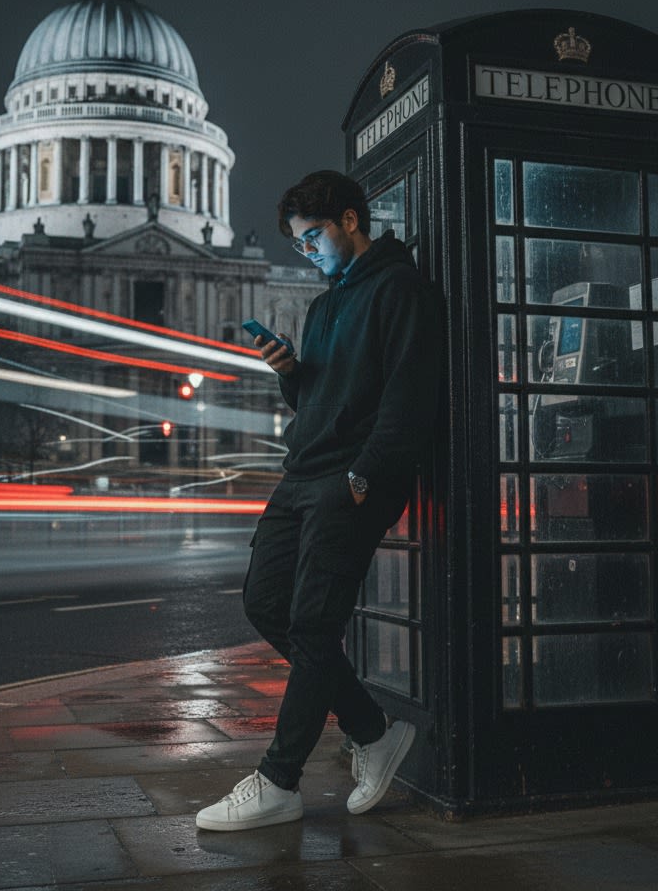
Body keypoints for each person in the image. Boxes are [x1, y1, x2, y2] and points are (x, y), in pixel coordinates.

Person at [196, 169, 444, 831]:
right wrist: (290, 374)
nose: (306, 254)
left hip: (349, 482)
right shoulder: (324, 303)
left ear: (349, 221)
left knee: (310, 625)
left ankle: (279, 781)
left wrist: (364, 477)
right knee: (265, 603)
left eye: (312, 240)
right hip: (301, 474)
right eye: (299, 246)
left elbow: (407, 394)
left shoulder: (401, 288)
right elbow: (319, 401)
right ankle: (372, 730)